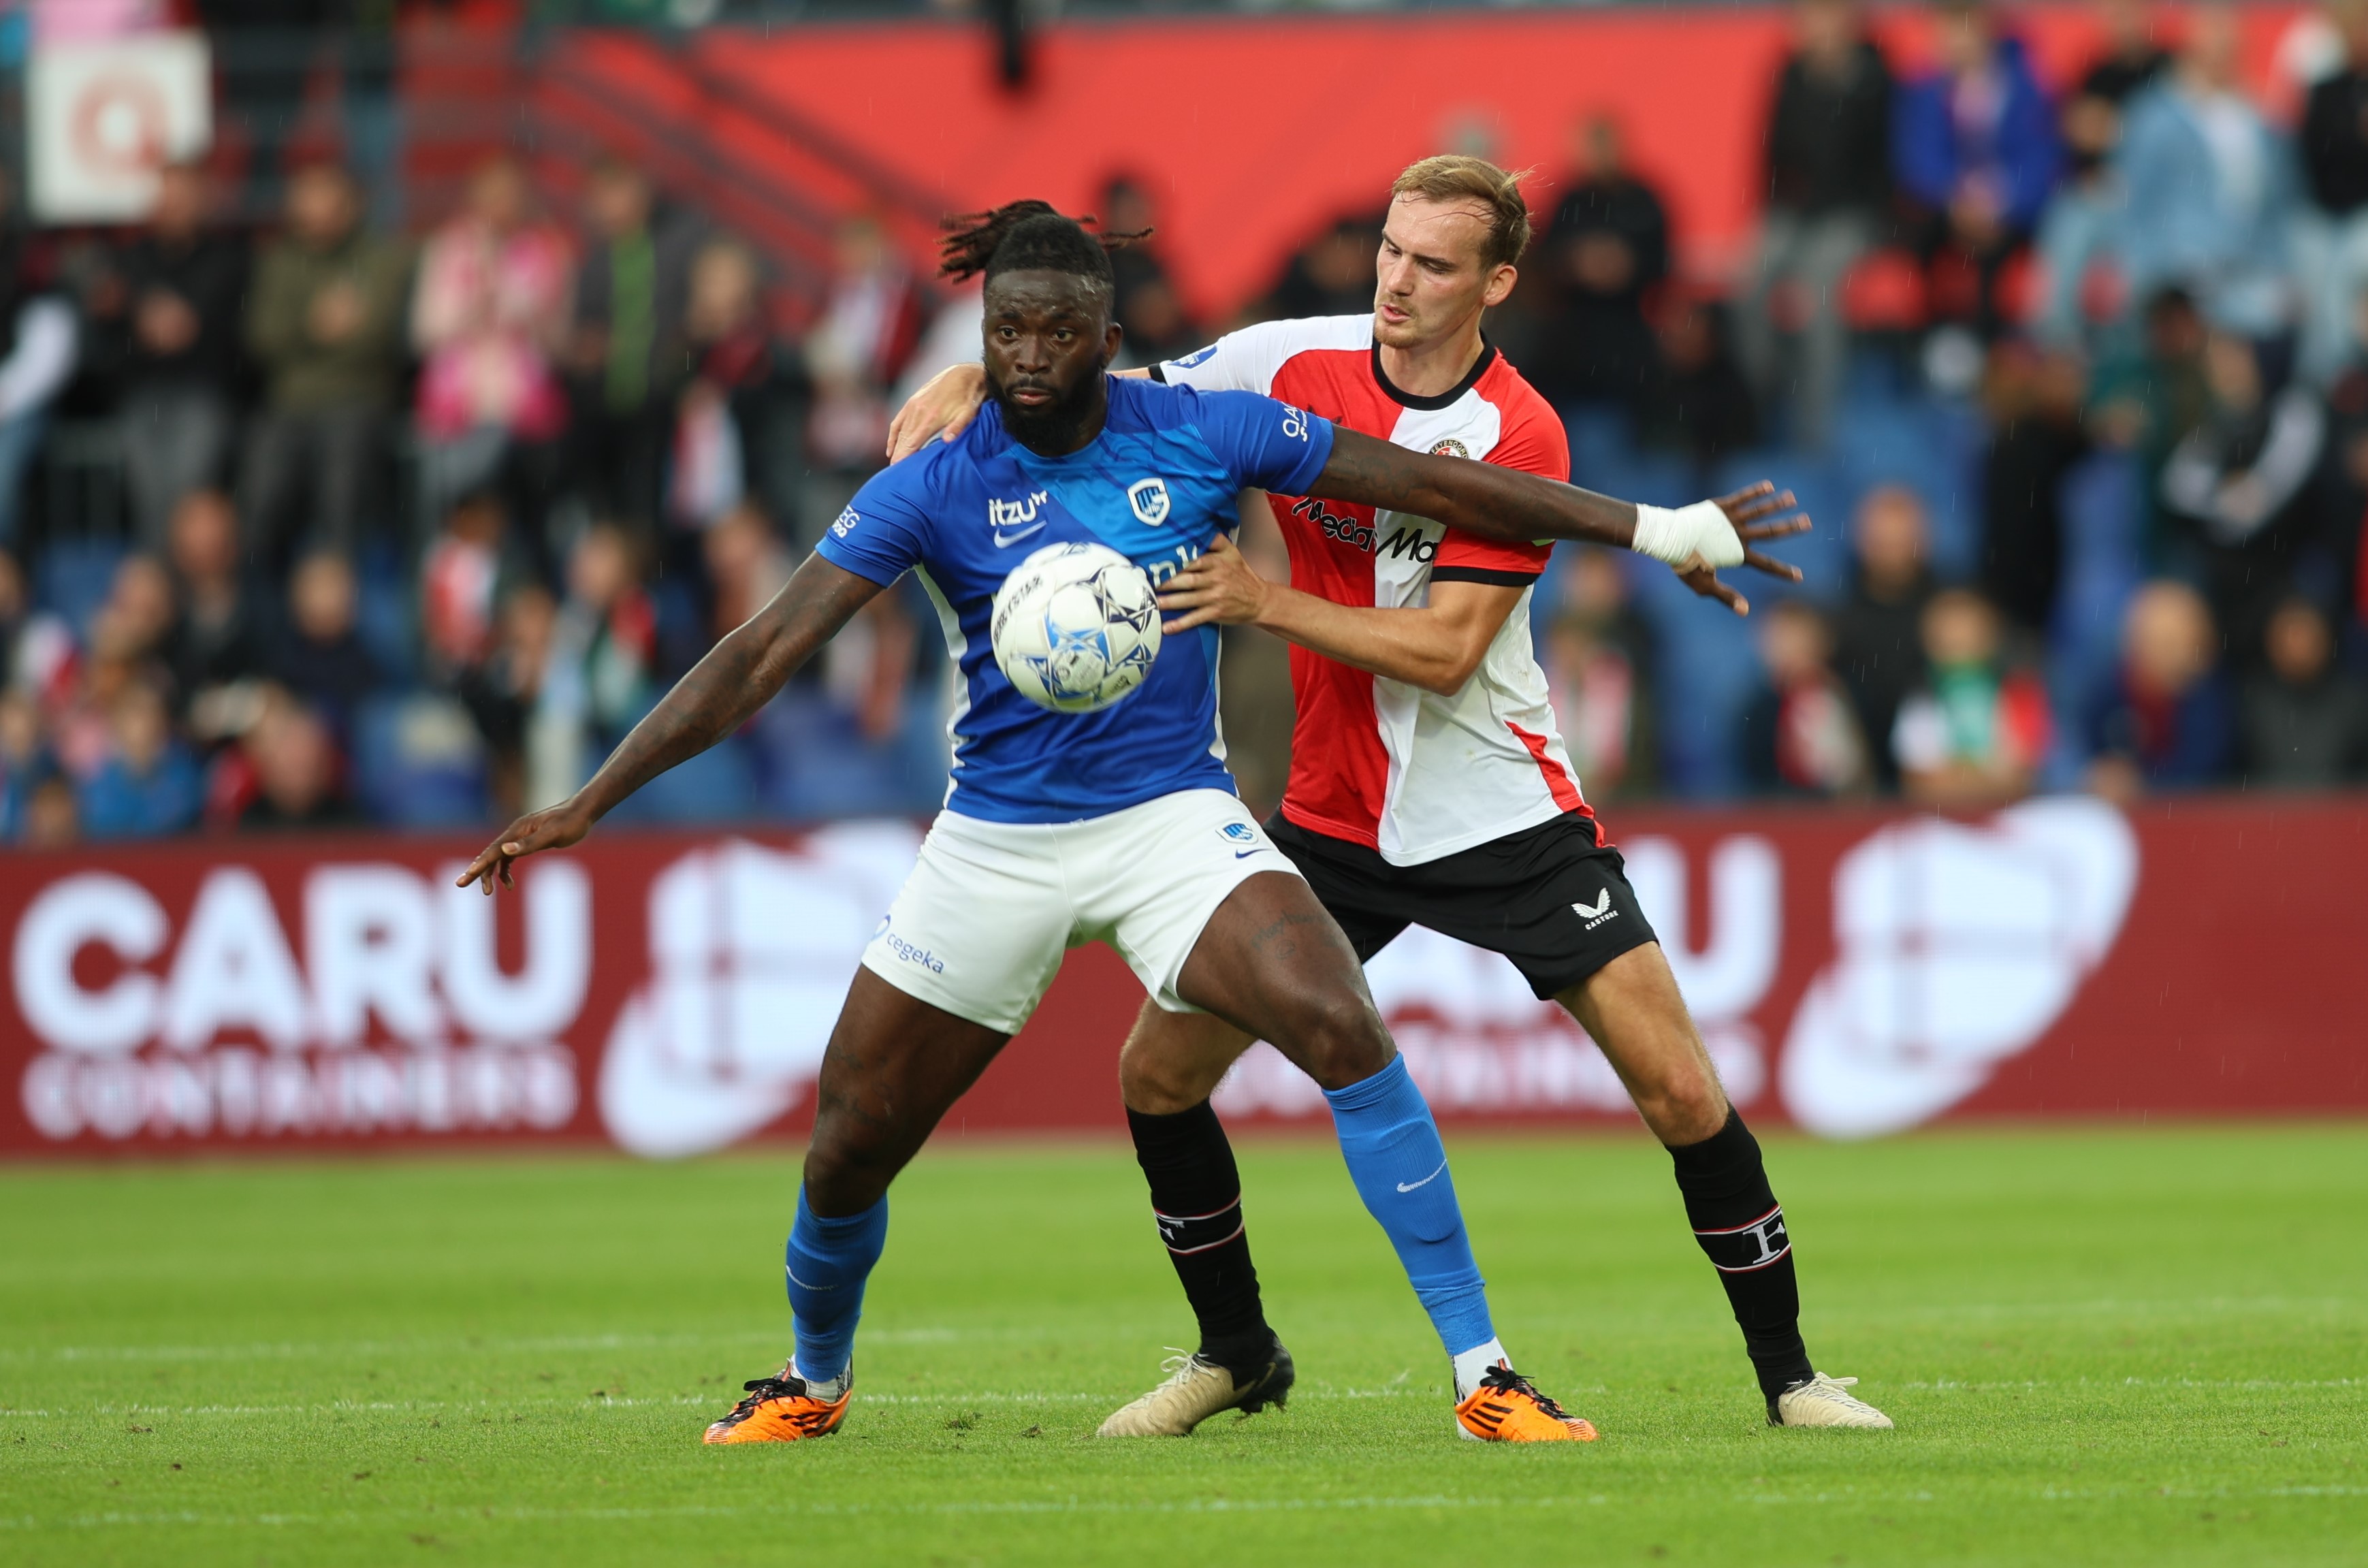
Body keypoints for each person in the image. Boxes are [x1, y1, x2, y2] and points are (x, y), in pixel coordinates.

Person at [461, 199, 1808, 1449]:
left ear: (1106, 340)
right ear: (980, 338)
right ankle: (813, 1381)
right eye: (1004, 331)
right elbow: (761, 652)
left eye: (1055, 329)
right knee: (850, 1134)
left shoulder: (1200, 430)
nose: (1028, 353)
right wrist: (586, 798)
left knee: (1336, 1014)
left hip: (1172, 818)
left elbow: (1437, 486)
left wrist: (1653, 527)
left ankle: (1483, 1371)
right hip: (991, 838)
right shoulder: (931, 482)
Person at [889, 166, 1883, 1435]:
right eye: (1388, 252)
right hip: (1328, 818)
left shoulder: (1520, 435)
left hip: (1503, 817)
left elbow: (1446, 651)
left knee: (1679, 1090)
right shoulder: (1283, 360)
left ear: (1495, 285)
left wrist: (1266, 602)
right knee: (1157, 1075)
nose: (1395, 283)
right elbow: (1098, 393)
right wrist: (980, 378)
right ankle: (1233, 1351)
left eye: (1432, 265)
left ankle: (1791, 1380)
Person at [1739, 0, 1895, 449]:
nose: (1817, 28)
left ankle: (1815, 432)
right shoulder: (1790, 75)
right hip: (1793, 213)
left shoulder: (1876, 79)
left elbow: (1883, 166)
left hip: (1852, 215)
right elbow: (1771, 153)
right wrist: (1774, 211)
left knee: (1820, 293)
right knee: (1750, 283)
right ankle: (1759, 406)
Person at [241, 162, 412, 562]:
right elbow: (262, 338)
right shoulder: (279, 262)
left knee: (342, 500)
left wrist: (300, 341)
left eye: (325, 201)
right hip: (287, 404)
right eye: (305, 201)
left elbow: (377, 336)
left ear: (351, 205)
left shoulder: (381, 259)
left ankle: (336, 598)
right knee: (259, 496)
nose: (313, 212)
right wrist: (314, 328)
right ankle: (260, 597)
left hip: (358, 400)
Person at [410, 156, 574, 544]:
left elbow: (559, 342)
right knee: (454, 514)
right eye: (493, 196)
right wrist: (472, 310)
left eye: (511, 196)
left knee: (525, 516)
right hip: (458, 410)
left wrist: (527, 317)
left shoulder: (547, 253)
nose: (502, 205)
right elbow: (424, 332)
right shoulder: (449, 250)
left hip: (524, 409)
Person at [2117, 5, 2299, 345]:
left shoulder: (2260, 119)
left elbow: (2282, 204)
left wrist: (2286, 272)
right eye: (2213, 30)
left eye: (2229, 31)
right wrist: (2148, 277)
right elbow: (2135, 204)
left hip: (2250, 270)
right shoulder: (2155, 117)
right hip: (2182, 272)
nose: (2222, 42)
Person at [1893, 0, 2062, 348]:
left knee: (1994, 257)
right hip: (1949, 209)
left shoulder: (2027, 83)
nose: (1954, 42)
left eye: (1963, 30)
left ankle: (1992, 354)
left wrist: (2002, 199)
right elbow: (1917, 157)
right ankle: (1930, 347)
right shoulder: (1926, 89)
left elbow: (2043, 156)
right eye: (1946, 32)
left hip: (2011, 213)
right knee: (1919, 239)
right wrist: (1957, 198)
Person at [114, 161, 249, 551]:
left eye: (182, 196)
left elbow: (241, 337)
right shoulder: (132, 260)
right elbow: (113, 336)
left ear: (202, 200)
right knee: (148, 498)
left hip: (205, 393)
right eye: (166, 195)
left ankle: (182, 580)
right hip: (144, 395)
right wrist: (137, 321)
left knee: (189, 494)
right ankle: (160, 579)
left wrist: (192, 325)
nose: (173, 205)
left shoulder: (230, 257)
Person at [1531, 114, 1670, 415]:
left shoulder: (1644, 201)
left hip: (1628, 325)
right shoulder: (1569, 201)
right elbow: (1544, 260)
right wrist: (1575, 264)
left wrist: (1626, 267)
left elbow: (1663, 264)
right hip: (1573, 329)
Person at [1891, 586, 2051, 807]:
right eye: (1948, 631)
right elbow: (1919, 781)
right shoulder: (1921, 699)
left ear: (1991, 635)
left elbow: (2025, 776)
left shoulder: (2019, 694)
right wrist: (1983, 781)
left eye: (1967, 630)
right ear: (1928, 640)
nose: (1958, 640)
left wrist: (1964, 781)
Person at [1829, 484, 1938, 790]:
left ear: (1924, 540)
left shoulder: (1951, 613)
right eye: (1883, 541)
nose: (1893, 550)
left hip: (1938, 780)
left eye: (1902, 540)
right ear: (1862, 541)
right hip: (1861, 783)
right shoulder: (1837, 622)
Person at [2083, 578, 2236, 796]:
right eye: (2166, 643)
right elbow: (2089, 760)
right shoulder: (2106, 695)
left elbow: (2200, 776)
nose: (2179, 656)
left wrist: (2141, 785)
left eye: (2189, 643)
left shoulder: (2209, 701)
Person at [1740, 597, 1871, 796]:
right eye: (1781, 641)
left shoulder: (1847, 696)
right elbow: (1754, 779)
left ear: (1824, 643)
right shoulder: (1759, 711)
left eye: (1800, 641)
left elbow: (1858, 771)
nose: (1791, 652)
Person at [2239, 595, 2368, 784]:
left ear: (2326, 639)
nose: (2299, 647)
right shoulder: (2250, 703)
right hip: (2266, 810)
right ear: (2271, 643)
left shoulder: (2356, 702)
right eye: (2289, 636)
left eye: (2307, 635)